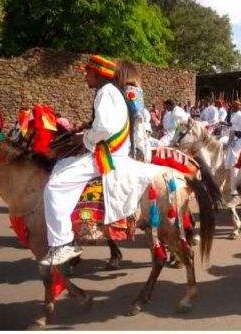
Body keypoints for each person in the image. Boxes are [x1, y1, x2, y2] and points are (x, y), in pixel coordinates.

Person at [40, 55, 162, 266]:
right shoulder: (112, 92)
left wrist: (85, 137)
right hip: (111, 151)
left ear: (97, 73)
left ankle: (62, 243)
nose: (85, 77)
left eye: (87, 73)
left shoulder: (105, 93)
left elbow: (104, 128)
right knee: (61, 165)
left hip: (108, 155)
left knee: (55, 185)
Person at [115, 60, 152, 162]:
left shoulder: (129, 92)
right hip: (136, 143)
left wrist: (137, 150)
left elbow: (137, 121)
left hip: (128, 147)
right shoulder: (135, 91)